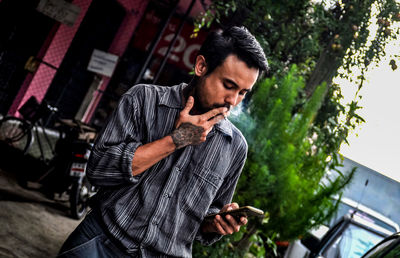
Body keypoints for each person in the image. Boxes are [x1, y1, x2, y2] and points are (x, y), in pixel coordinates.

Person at [58, 26, 268, 257]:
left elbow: (204, 220)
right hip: (101, 244)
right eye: (228, 85)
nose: (232, 101)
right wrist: (178, 139)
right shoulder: (143, 100)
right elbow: (98, 170)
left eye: (243, 93)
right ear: (201, 66)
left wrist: (217, 223)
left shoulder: (234, 147)